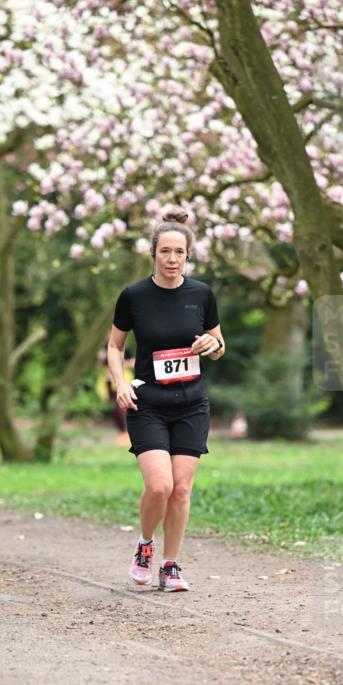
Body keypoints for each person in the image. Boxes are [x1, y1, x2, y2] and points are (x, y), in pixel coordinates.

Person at [107, 207, 225, 593]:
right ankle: (145, 546)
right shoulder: (134, 296)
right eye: (165, 252)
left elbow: (218, 344)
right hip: (148, 403)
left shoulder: (202, 294)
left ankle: (170, 566)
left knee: (182, 489)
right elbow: (114, 345)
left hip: (191, 404)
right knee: (159, 486)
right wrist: (120, 383)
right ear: (153, 254)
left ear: (188, 255)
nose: (172, 259)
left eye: (179, 253)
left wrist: (213, 344)